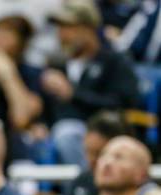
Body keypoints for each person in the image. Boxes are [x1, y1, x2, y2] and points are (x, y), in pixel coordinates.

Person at [42, 0, 139, 167]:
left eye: (68, 27)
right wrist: (39, 125)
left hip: (104, 133)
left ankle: (87, 185)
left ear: (89, 28)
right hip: (59, 133)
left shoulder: (114, 61)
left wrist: (73, 94)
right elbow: (48, 109)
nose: (62, 35)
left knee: (67, 133)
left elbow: (121, 104)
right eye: (59, 28)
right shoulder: (57, 65)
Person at [64, 111, 132, 195]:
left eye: (100, 154)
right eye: (87, 151)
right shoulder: (82, 180)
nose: (91, 160)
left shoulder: (141, 193)